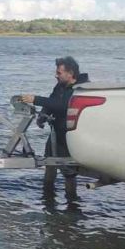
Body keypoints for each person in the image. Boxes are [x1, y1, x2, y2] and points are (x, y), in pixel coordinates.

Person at [19, 56, 89, 202]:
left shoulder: (81, 89)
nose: (55, 75)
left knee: (69, 174)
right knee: (49, 166)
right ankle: (48, 199)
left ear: (70, 73)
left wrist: (35, 99)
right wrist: (43, 116)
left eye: (59, 73)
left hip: (70, 137)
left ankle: (72, 204)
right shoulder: (60, 86)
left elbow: (63, 105)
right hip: (55, 134)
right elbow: (52, 101)